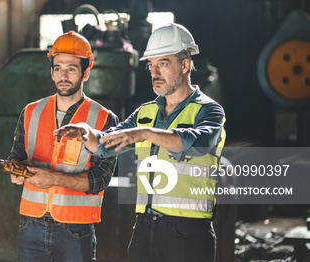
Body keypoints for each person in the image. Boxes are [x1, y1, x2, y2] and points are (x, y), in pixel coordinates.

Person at [54, 23, 226, 262]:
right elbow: (106, 144)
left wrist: (144, 133)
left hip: (188, 232)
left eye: (163, 64)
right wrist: (87, 133)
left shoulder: (209, 111)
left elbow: (199, 143)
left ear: (185, 65)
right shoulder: (145, 113)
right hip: (144, 228)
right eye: (150, 65)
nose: (155, 73)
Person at [8, 31, 119, 262]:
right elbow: (17, 156)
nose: (63, 75)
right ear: (51, 72)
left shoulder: (104, 119)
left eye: (71, 68)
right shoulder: (30, 112)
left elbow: (100, 179)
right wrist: (17, 170)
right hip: (30, 226)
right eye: (58, 68)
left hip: (75, 231)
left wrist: (54, 179)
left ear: (86, 72)